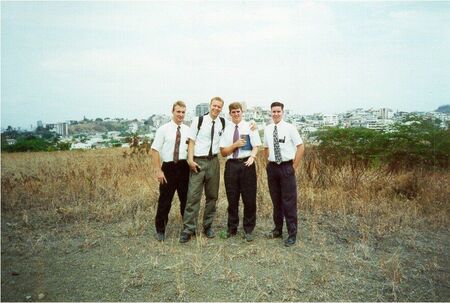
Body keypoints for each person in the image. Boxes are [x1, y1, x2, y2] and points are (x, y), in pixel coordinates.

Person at [179, 97, 226, 243]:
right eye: (214, 106)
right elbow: (191, 141)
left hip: (213, 161)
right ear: (210, 105)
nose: (216, 108)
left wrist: (253, 125)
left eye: (219, 107)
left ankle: (207, 226)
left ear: (221, 108)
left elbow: (238, 124)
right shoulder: (198, 121)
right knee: (193, 196)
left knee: (212, 196)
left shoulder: (222, 122)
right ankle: (188, 229)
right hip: (198, 162)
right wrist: (190, 160)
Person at [263, 101, 305, 247]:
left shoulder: (290, 128)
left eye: (278, 111)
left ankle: (292, 234)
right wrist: (269, 163)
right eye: (273, 112)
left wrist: (293, 166)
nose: (275, 114)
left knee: (289, 202)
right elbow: (266, 148)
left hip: (287, 167)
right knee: (276, 201)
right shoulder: (268, 129)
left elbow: (300, 147)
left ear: (283, 112)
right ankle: (277, 230)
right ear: (270, 113)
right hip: (273, 168)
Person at [219, 102, 261, 242]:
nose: (236, 114)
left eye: (238, 111)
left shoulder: (250, 126)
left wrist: (252, 156)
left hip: (246, 165)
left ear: (242, 112)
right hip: (231, 166)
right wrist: (235, 145)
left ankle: (248, 229)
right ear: (230, 114)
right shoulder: (226, 129)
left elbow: (256, 146)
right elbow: (223, 152)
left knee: (249, 199)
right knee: (232, 199)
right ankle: (232, 228)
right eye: (233, 112)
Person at [151, 101, 190, 241]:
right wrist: (158, 170)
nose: (180, 114)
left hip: (184, 167)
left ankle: (187, 229)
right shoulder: (163, 129)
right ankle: (160, 230)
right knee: (165, 200)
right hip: (168, 168)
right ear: (172, 112)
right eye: (178, 111)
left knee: (185, 200)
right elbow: (154, 150)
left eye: (183, 112)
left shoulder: (188, 129)